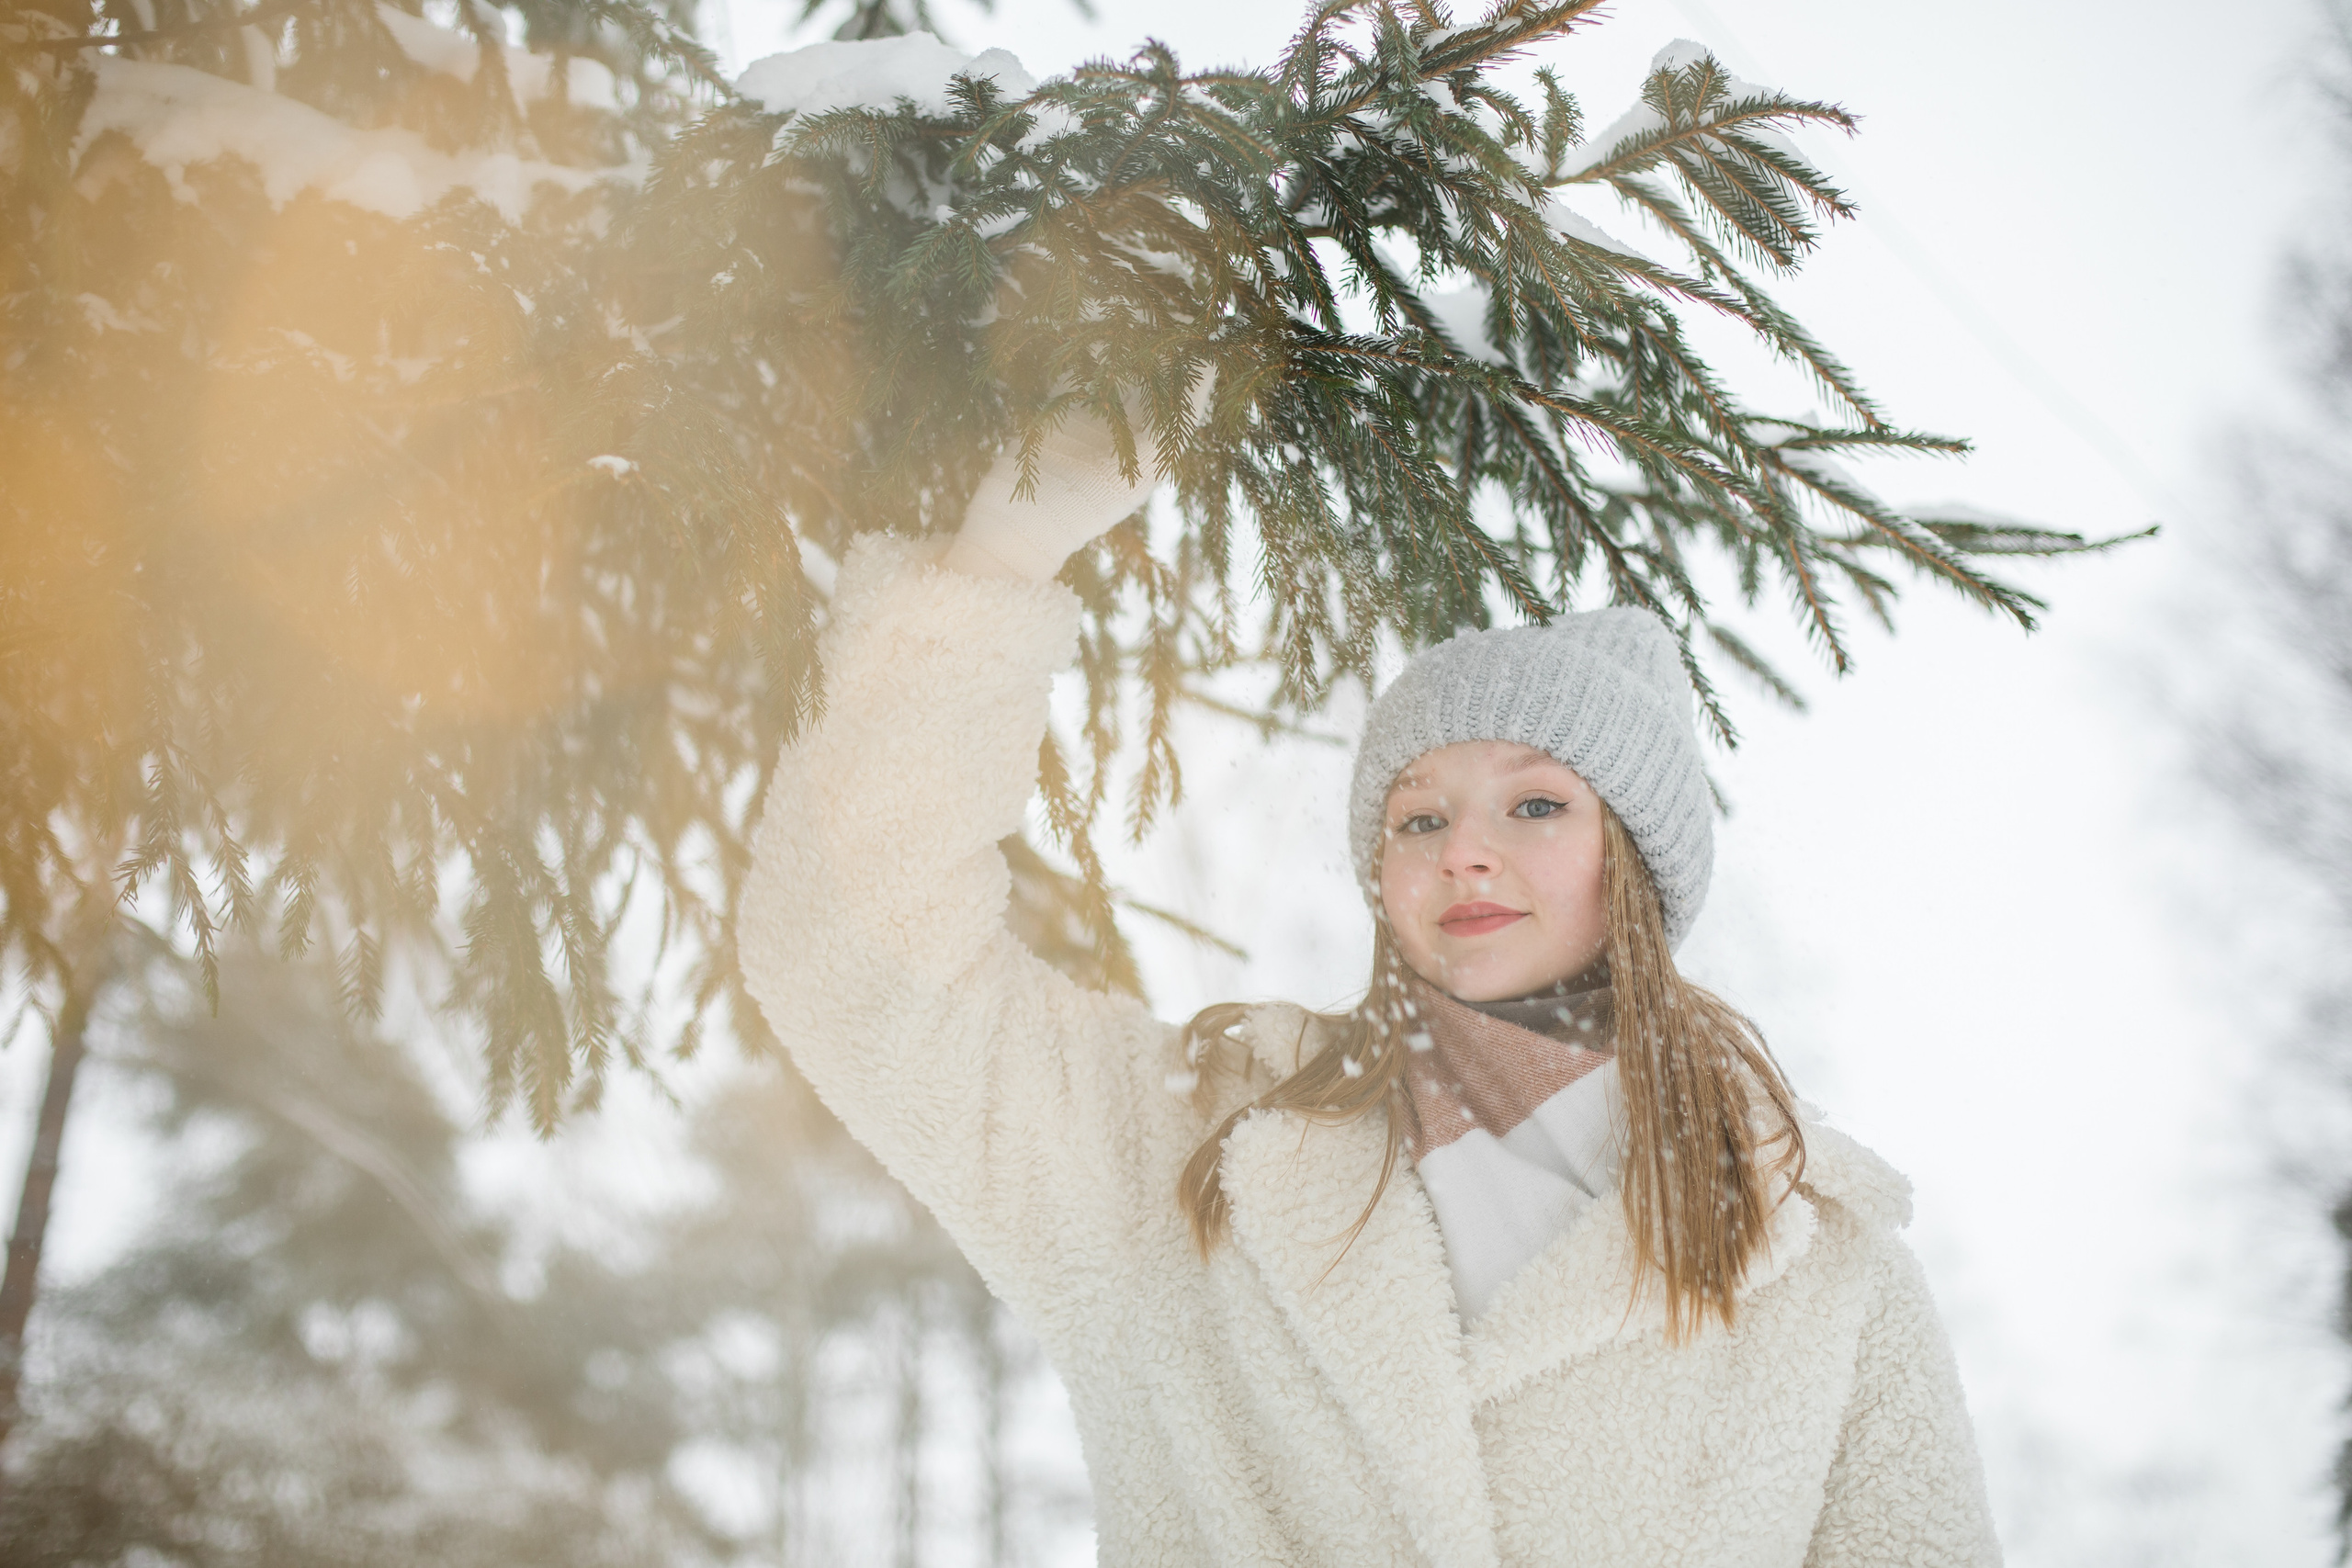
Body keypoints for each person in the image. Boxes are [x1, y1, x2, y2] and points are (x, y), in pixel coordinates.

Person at [739, 402, 2002, 1567]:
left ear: (1637, 863)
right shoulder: (1191, 1157)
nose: (1465, 848)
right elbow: (854, 966)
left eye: (1537, 803)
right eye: (1417, 818)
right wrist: (995, 573)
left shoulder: (1820, 1269)